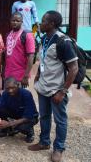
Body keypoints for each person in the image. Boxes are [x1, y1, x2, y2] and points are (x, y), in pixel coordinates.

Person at [28, 11, 78, 162]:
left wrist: (62, 91)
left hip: (57, 89)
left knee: (60, 120)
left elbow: (74, 68)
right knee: (44, 116)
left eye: (43, 21)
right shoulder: (44, 38)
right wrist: (37, 77)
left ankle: (59, 148)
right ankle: (44, 142)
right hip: (43, 86)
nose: (40, 23)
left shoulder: (64, 42)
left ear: (51, 24)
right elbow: (43, 60)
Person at [0, 77, 39, 143]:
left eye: (12, 88)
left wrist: (8, 124)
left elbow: (27, 117)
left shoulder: (26, 94)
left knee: (22, 127)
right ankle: (6, 130)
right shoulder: (5, 93)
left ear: (18, 85)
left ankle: (30, 132)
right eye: (8, 88)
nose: (10, 90)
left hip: (29, 117)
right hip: (16, 113)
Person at [5, 12, 35, 88]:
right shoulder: (8, 35)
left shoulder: (27, 35)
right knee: (8, 99)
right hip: (8, 75)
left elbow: (31, 56)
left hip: (20, 77)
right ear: (10, 21)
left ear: (22, 22)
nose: (15, 22)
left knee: (21, 98)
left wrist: (26, 76)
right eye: (13, 20)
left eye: (17, 21)